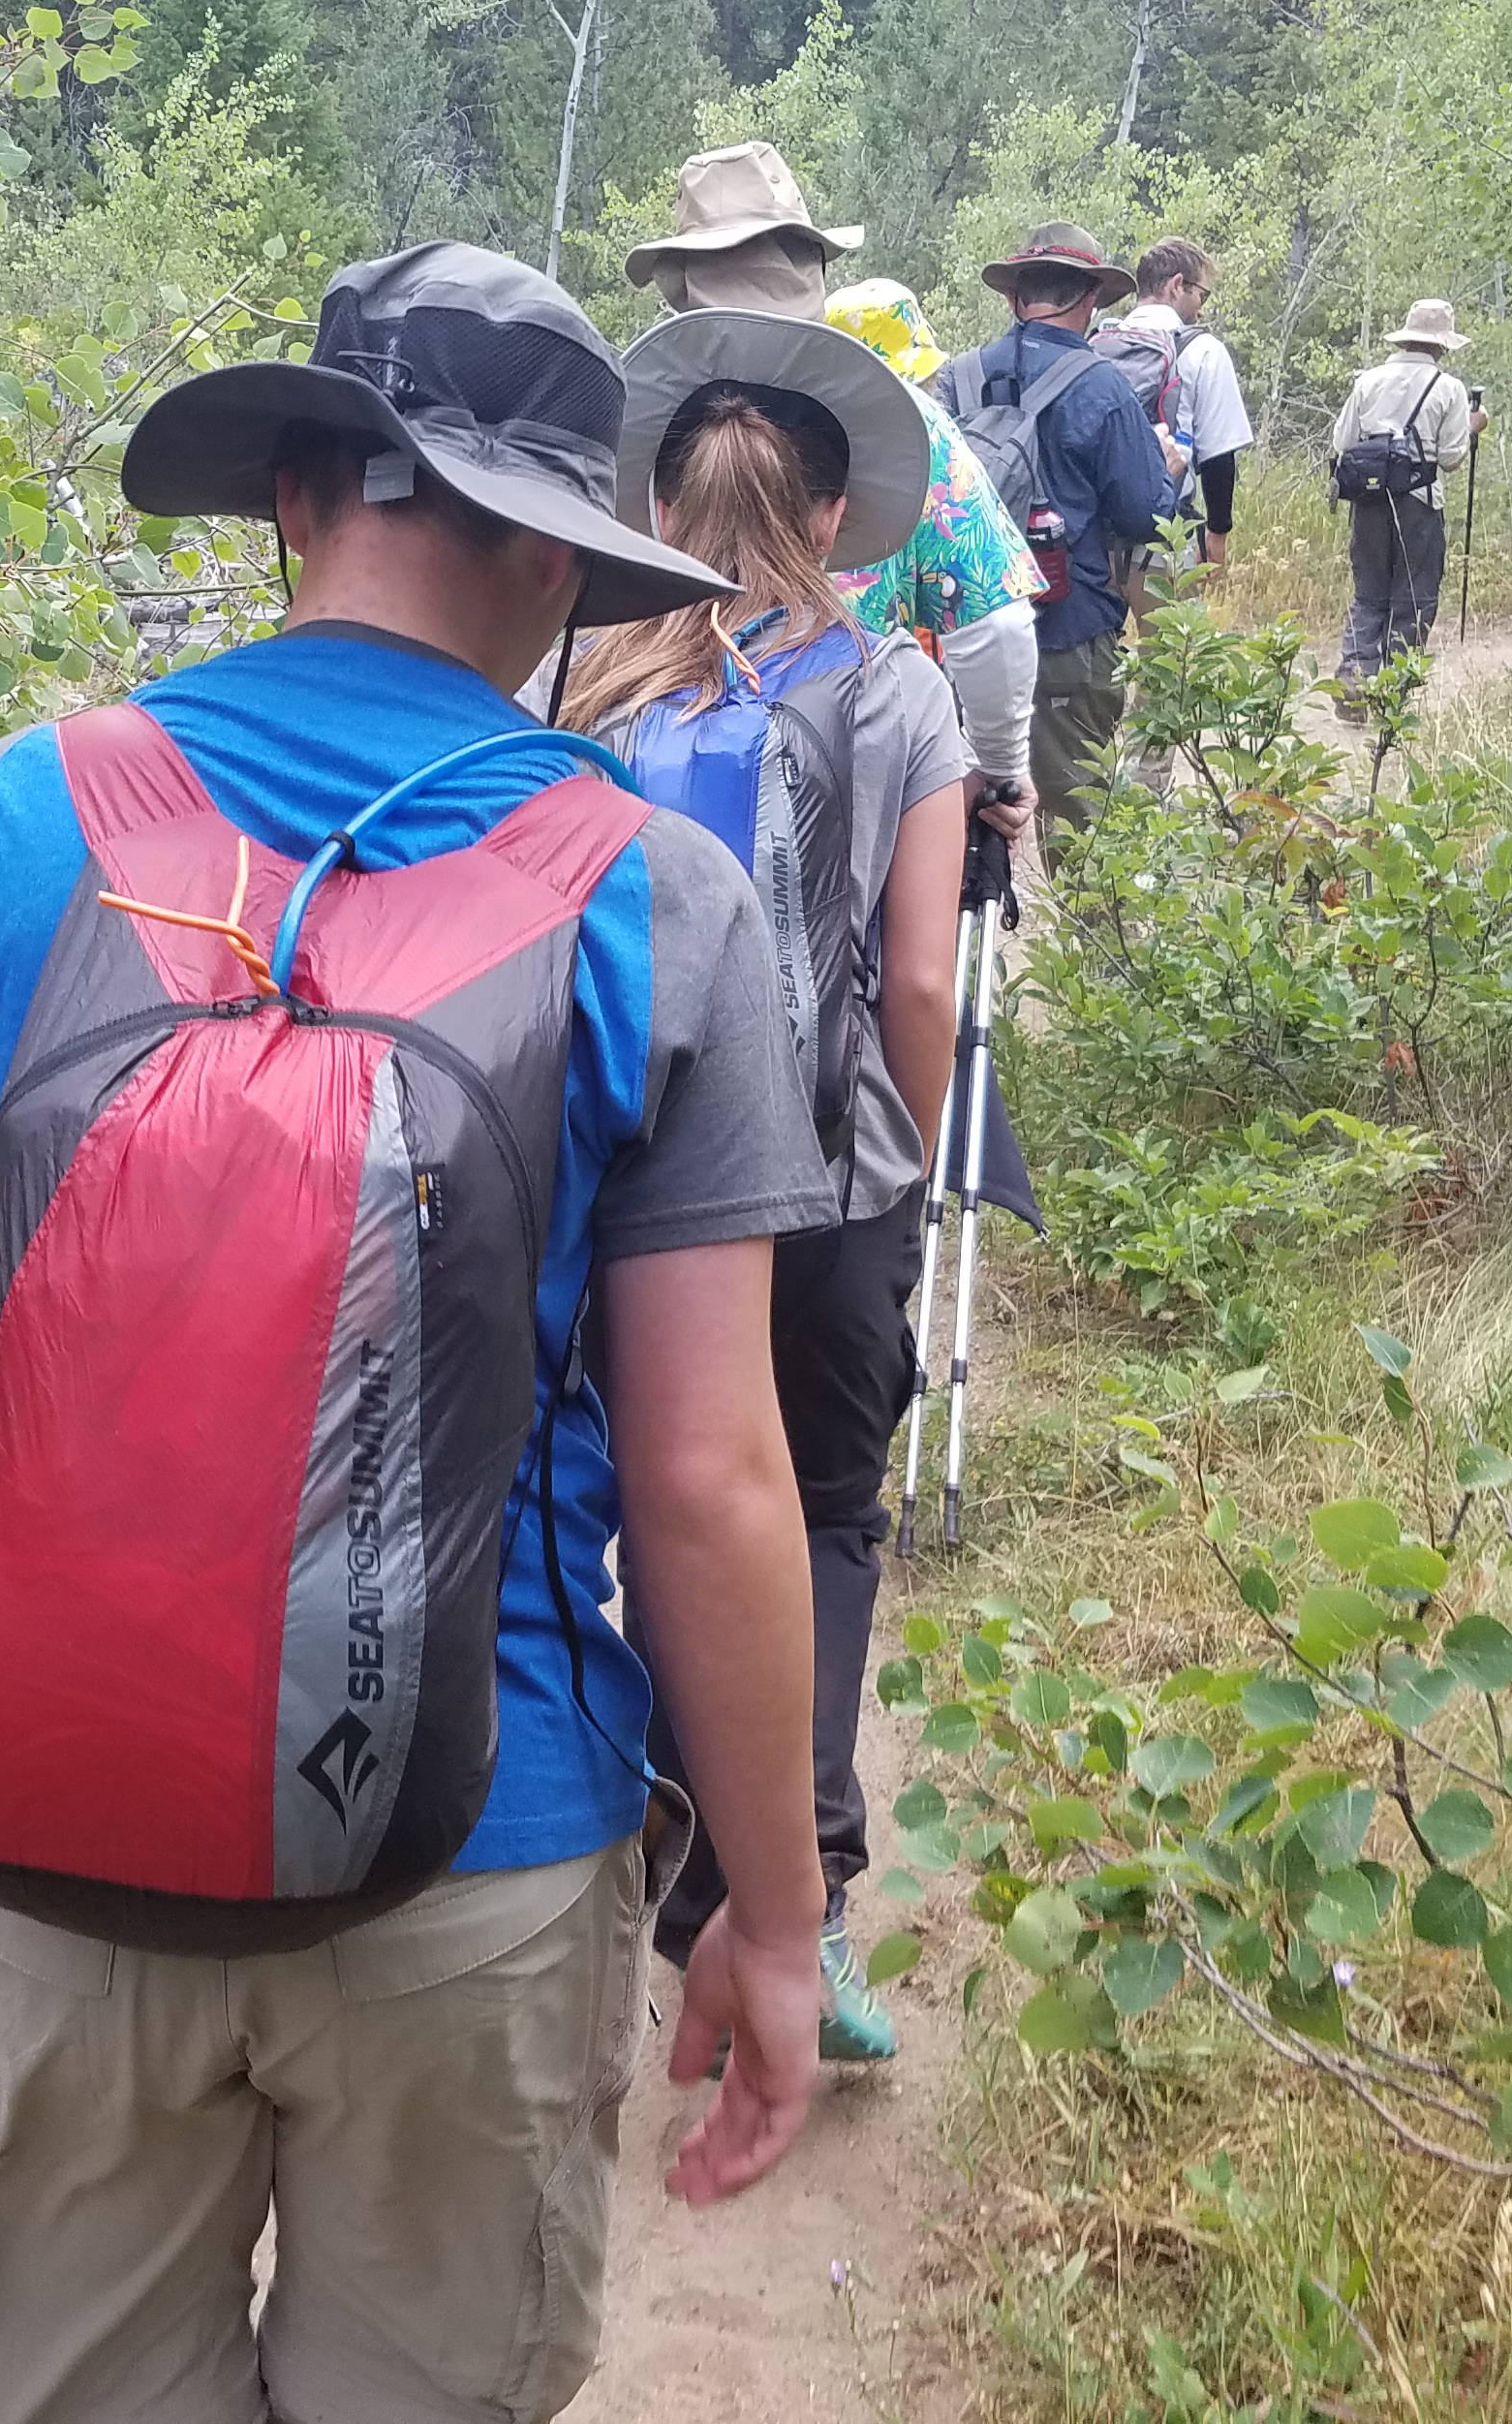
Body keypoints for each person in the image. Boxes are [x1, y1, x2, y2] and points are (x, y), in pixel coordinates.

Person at [0, 242, 839, 2423]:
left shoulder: (10, 819)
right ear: (556, 560)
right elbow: (709, 1479)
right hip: (479, 1852)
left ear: (298, 498)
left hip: (36, 1839)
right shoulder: (651, 895)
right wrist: (771, 1923)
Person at [559, 307, 969, 2070]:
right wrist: (902, 1157)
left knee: (638, 1502)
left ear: (655, 499)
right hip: (821, 1176)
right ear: (824, 513)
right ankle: (793, 1877)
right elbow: (926, 981)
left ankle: (648, 1838)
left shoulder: (575, 694)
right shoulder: (899, 690)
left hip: (612, 1169)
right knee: (814, 1515)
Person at [624, 145, 1036, 839]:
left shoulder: (638, 424)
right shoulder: (901, 421)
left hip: (653, 786)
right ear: (814, 268)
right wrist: (995, 768)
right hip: (858, 785)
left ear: (676, 280)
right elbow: (996, 629)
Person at [936, 223, 1184, 837]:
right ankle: (1087, 931)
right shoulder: (1103, 387)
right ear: (1091, 297)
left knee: (967, 824)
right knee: (1081, 834)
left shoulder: (958, 381)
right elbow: (1141, 517)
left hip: (964, 639)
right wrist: (1170, 473)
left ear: (1014, 296)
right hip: (1067, 636)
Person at [1328, 296, 1481, 693]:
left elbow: (1342, 441)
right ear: (1442, 344)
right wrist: (1470, 427)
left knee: (1368, 593)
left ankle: (1354, 682)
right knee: (1414, 595)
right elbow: (1449, 458)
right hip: (1420, 503)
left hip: (1368, 501)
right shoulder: (1449, 388)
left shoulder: (1368, 381)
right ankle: (1394, 689)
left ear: (1406, 339)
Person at [1105, 236, 1254, 577]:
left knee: (1104, 633)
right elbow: (1219, 458)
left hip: (1098, 535)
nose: (1201, 307)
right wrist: (1217, 536)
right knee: (1173, 630)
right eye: (1202, 294)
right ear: (1177, 286)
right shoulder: (1202, 349)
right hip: (1166, 536)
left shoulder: (1101, 341)